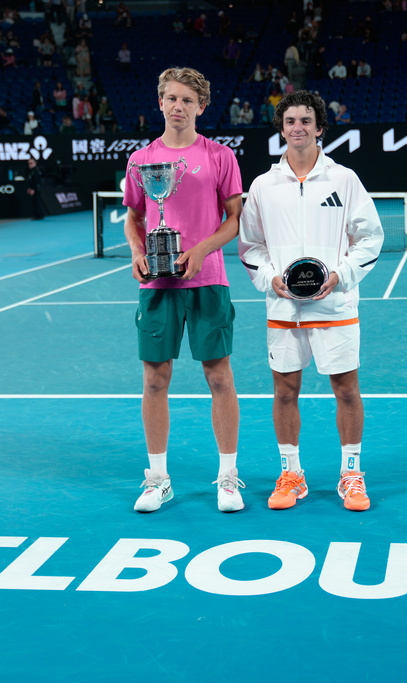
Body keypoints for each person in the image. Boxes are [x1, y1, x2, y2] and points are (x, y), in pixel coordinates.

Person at [238, 90, 383, 512]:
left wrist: (340, 276)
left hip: (335, 307)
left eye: (305, 121)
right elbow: (251, 245)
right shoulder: (264, 186)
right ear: (281, 129)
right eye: (289, 121)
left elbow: (370, 237)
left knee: (346, 390)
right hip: (283, 309)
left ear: (320, 128)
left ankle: (351, 474)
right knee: (284, 391)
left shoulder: (344, 180)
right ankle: (291, 473)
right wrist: (270, 279)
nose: (297, 128)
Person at [122, 66, 244, 513]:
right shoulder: (141, 160)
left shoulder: (219, 156)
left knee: (219, 377)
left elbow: (234, 219)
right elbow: (133, 218)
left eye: (187, 100)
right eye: (171, 98)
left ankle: (228, 478)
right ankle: (158, 479)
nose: (178, 106)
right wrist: (137, 251)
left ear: (201, 107)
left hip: (207, 279)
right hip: (157, 282)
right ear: (160, 102)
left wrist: (201, 250)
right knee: (155, 379)